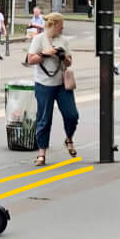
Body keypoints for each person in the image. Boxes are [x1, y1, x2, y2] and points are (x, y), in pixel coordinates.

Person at [24, 12, 80, 166]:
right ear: (54, 25)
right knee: (44, 119)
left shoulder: (63, 40)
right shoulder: (39, 39)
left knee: (72, 115)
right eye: (61, 26)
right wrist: (45, 54)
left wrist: (63, 57)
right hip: (44, 84)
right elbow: (30, 59)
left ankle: (69, 138)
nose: (62, 28)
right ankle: (42, 153)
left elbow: (69, 62)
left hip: (62, 84)